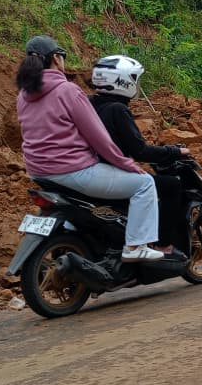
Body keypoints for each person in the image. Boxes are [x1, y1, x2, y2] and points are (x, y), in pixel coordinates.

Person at [15, 35, 169, 262]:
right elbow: (99, 138)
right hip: (73, 171)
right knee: (144, 184)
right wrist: (127, 164)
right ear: (57, 59)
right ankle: (135, 246)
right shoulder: (68, 91)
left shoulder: (23, 95)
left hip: (39, 172)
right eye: (62, 57)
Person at [89, 54, 190, 255]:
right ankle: (162, 244)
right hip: (109, 172)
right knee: (171, 185)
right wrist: (174, 151)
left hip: (92, 169)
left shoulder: (89, 104)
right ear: (122, 80)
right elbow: (139, 151)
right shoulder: (118, 109)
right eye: (134, 79)